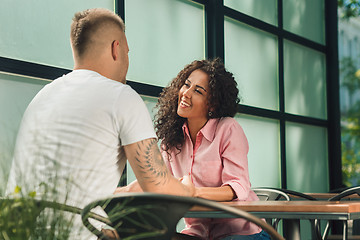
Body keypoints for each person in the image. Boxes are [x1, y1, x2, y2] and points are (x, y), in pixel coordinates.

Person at [5, 8, 194, 239]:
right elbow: (160, 188)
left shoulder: (42, 98)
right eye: (127, 51)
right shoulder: (121, 96)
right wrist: (187, 188)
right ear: (116, 49)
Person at [153, 58, 271, 240]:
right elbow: (164, 189)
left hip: (240, 232)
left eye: (198, 91)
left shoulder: (228, 129)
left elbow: (237, 187)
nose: (186, 93)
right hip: (198, 234)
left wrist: (193, 193)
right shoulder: (169, 142)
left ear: (212, 104)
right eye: (186, 85)